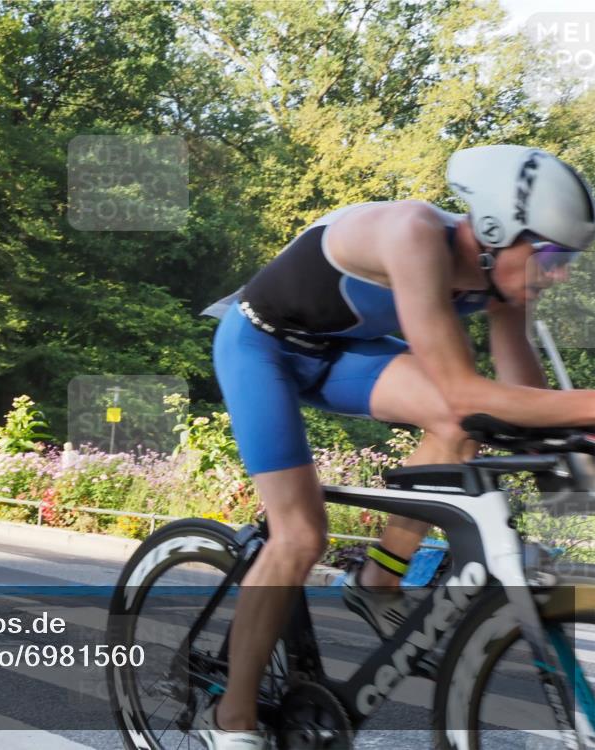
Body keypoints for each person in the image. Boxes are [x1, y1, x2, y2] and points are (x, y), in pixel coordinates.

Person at [198, 145, 595, 748]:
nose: (558, 272)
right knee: (301, 535)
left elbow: (517, 400)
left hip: (337, 355)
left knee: (466, 424)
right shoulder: (412, 234)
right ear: (494, 230)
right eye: (551, 254)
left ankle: (380, 578)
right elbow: (466, 389)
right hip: (261, 347)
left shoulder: (503, 279)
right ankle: (233, 720)